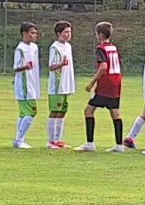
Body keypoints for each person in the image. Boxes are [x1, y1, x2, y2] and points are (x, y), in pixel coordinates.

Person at [82, 21, 127, 153]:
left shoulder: (101, 48)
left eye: (96, 34)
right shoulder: (113, 47)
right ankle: (119, 145)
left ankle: (90, 143)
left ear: (100, 34)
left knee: (88, 110)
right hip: (116, 82)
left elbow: (103, 67)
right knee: (115, 112)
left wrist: (92, 82)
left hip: (105, 84)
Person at [10, 23, 44, 148]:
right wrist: (25, 67)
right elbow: (15, 67)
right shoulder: (20, 49)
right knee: (31, 111)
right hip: (24, 85)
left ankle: (18, 139)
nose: (35, 35)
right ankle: (19, 140)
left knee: (24, 113)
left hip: (32, 82)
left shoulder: (34, 47)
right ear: (24, 33)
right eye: (32, 33)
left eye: (35, 33)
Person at [46, 21, 76, 149]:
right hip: (57, 85)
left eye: (69, 32)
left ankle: (58, 139)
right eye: (65, 32)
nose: (68, 34)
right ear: (59, 33)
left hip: (66, 83)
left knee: (63, 111)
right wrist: (61, 64)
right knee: (55, 111)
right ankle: (50, 141)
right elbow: (51, 66)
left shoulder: (68, 46)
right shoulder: (54, 47)